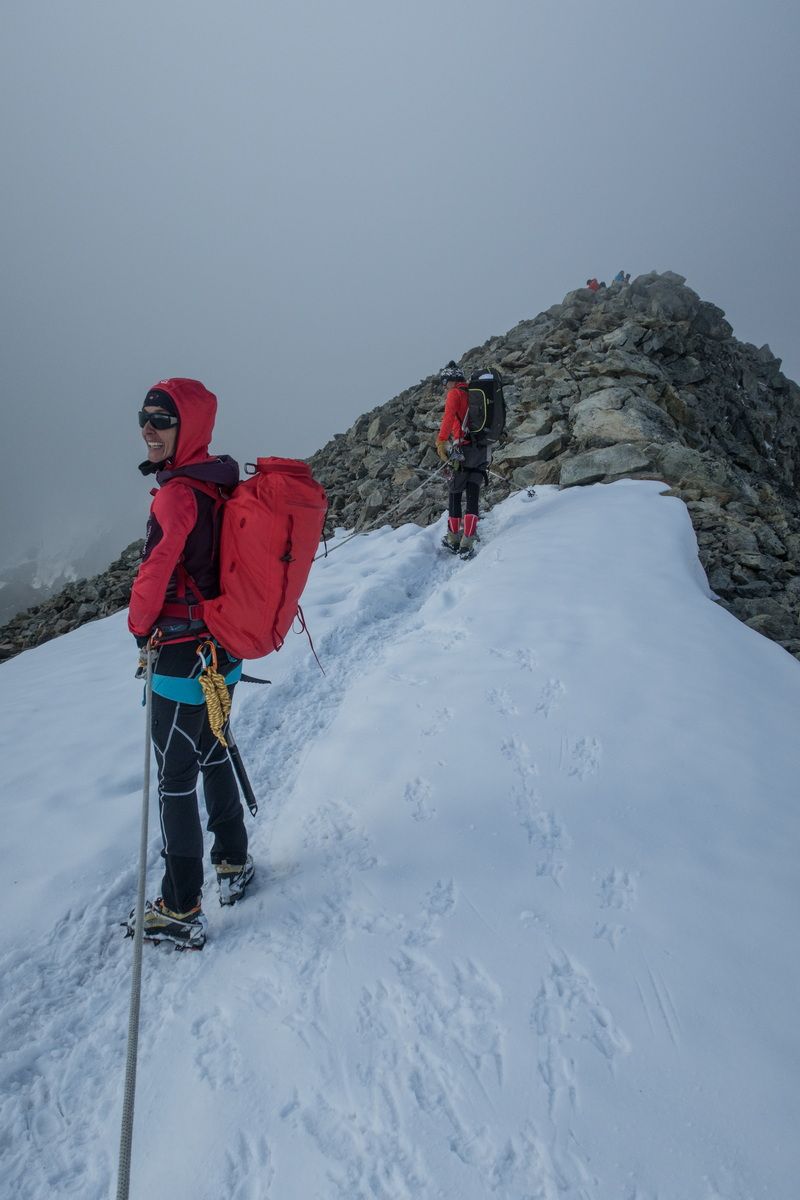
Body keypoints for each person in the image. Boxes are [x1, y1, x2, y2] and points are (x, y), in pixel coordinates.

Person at [128, 378, 254, 948]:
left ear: (190, 429)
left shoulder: (176, 494)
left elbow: (155, 572)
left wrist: (138, 627)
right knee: (215, 749)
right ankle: (233, 860)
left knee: (175, 779)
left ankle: (180, 905)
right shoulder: (219, 481)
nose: (149, 428)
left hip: (180, 659)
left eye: (162, 419)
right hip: (221, 651)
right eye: (144, 417)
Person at [435, 362, 487, 557]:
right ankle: (469, 539)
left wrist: (441, 441)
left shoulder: (454, 394)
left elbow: (448, 418)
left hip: (464, 448)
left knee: (455, 491)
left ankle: (453, 538)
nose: (444, 386)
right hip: (482, 448)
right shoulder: (474, 392)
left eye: (444, 382)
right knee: (473, 490)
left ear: (450, 380)